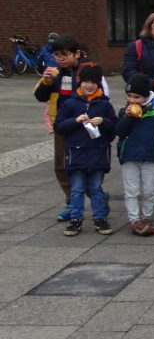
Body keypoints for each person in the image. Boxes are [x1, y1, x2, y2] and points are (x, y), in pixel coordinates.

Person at [35, 35, 109, 221]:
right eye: (56, 55)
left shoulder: (88, 71)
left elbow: (103, 95)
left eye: (64, 54)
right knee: (62, 166)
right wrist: (47, 82)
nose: (60, 58)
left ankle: (98, 199)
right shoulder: (53, 72)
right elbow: (39, 95)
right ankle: (71, 202)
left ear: (76, 53)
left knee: (86, 166)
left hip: (86, 124)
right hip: (64, 123)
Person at [53, 63, 117, 236]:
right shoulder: (70, 103)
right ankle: (76, 219)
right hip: (77, 153)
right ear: (79, 82)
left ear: (99, 84)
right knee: (77, 189)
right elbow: (58, 126)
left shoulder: (104, 105)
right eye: (86, 82)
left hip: (98, 153)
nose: (89, 85)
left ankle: (100, 218)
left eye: (93, 82)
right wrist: (75, 121)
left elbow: (114, 128)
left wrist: (103, 122)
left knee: (96, 187)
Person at [115, 74, 154, 236]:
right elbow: (119, 131)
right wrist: (128, 117)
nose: (132, 100)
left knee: (148, 190)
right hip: (130, 156)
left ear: (146, 96)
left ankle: (147, 217)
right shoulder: (124, 112)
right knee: (131, 190)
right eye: (129, 96)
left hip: (151, 155)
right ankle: (134, 219)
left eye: (137, 97)